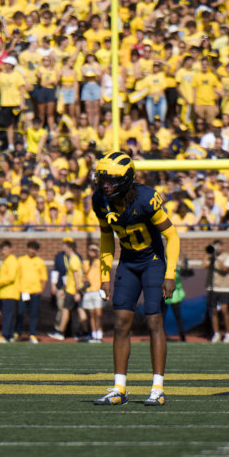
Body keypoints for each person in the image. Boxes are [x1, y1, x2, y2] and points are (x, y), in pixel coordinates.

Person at [91, 151, 179, 406]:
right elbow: (106, 237)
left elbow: (172, 236)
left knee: (153, 321)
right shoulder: (100, 200)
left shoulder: (145, 198)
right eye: (103, 180)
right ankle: (119, 388)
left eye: (111, 180)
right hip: (128, 263)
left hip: (152, 261)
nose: (105, 185)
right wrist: (105, 276)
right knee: (120, 323)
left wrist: (170, 274)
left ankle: (157, 388)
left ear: (126, 179)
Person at [50, 238, 85, 341]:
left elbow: (76, 277)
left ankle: (61, 332)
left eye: (65, 247)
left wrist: (78, 291)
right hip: (70, 289)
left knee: (66, 311)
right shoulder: (71, 258)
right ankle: (83, 332)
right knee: (77, 310)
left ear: (70, 248)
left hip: (72, 290)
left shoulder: (74, 259)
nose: (63, 249)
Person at [16, 240, 48, 343]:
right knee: (20, 312)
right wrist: (18, 289)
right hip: (23, 291)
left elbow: (44, 278)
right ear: (27, 248)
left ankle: (32, 334)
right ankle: (18, 333)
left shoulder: (40, 261)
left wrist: (41, 290)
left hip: (35, 291)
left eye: (34, 249)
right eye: (30, 248)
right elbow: (17, 276)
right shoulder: (21, 260)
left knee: (33, 314)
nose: (32, 251)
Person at [210, 244, 229, 343]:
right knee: (213, 311)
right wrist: (207, 256)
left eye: (218, 246)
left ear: (222, 246)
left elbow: (225, 268)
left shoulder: (228, 257)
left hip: (225, 288)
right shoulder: (211, 257)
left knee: (224, 310)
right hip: (213, 287)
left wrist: (217, 259)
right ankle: (216, 333)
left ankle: (228, 333)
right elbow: (203, 265)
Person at [0, 240, 20, 342]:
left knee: (7, 315)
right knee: (8, 315)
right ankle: (10, 335)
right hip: (4, 293)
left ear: (11, 249)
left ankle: (5, 335)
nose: (3, 252)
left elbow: (10, 277)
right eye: (2, 249)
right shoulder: (6, 260)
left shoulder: (12, 260)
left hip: (9, 293)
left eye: (5, 249)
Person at [81, 237, 105, 342]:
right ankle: (94, 334)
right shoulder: (85, 263)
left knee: (98, 314)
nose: (93, 252)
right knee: (91, 315)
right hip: (88, 291)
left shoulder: (100, 262)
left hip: (97, 291)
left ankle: (99, 333)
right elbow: (83, 276)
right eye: (91, 250)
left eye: (95, 250)